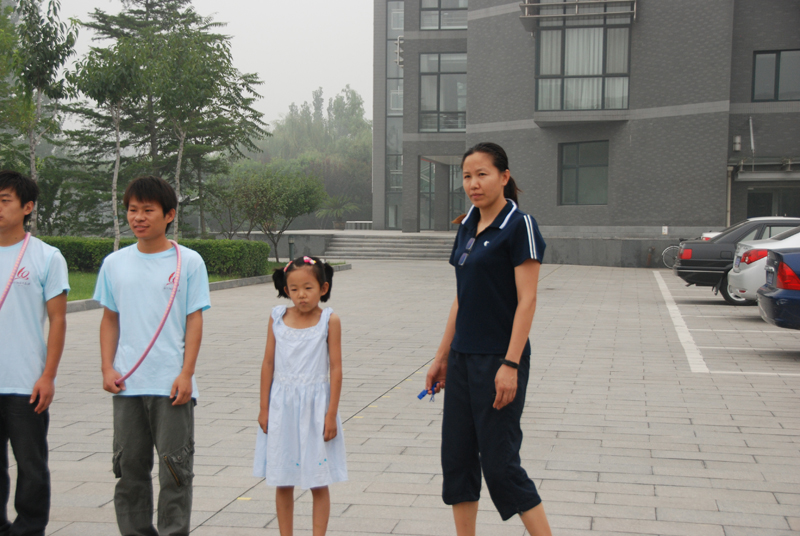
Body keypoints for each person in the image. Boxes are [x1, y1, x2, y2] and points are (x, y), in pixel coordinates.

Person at [425, 142, 552, 536]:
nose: (473, 184)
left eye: (482, 174)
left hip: (499, 359)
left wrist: (510, 364)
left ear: (504, 176)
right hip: (462, 359)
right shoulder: (467, 225)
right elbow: (461, 299)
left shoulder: (519, 225)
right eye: (467, 176)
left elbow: (528, 300)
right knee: (458, 460)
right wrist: (441, 357)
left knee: (501, 465)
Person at [93, 176, 210, 536]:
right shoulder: (115, 263)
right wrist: (107, 367)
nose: (138, 217)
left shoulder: (189, 262)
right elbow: (109, 319)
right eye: (132, 210)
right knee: (129, 469)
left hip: (171, 384)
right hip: (127, 384)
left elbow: (194, 319)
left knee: (175, 470)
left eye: (148, 210)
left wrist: (186, 373)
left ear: (169, 214)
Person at [254, 255, 347, 536]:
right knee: (283, 479)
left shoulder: (329, 320)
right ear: (286, 289)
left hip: (316, 409)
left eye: (308, 288)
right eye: (294, 289)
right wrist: (263, 408)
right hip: (282, 407)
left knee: (318, 480)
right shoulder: (277, 318)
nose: (301, 295)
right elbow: (268, 363)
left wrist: (331, 414)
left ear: (323, 288)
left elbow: (336, 368)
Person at [0, 170, 69, 536]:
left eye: (4, 201)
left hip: (25, 382)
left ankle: (29, 529)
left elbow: (58, 320)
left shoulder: (46, 257)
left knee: (31, 465)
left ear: (27, 207)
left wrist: (48, 376)